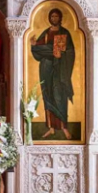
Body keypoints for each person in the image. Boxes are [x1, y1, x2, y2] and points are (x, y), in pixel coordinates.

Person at [30, 8, 76, 140]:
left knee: (59, 96)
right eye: (52, 17)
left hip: (60, 70)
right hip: (45, 68)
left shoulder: (64, 33)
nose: (54, 19)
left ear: (60, 18)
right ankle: (51, 128)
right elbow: (37, 50)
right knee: (48, 96)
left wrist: (60, 54)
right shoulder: (46, 33)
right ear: (49, 18)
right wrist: (35, 45)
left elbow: (70, 51)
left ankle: (64, 127)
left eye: (56, 16)